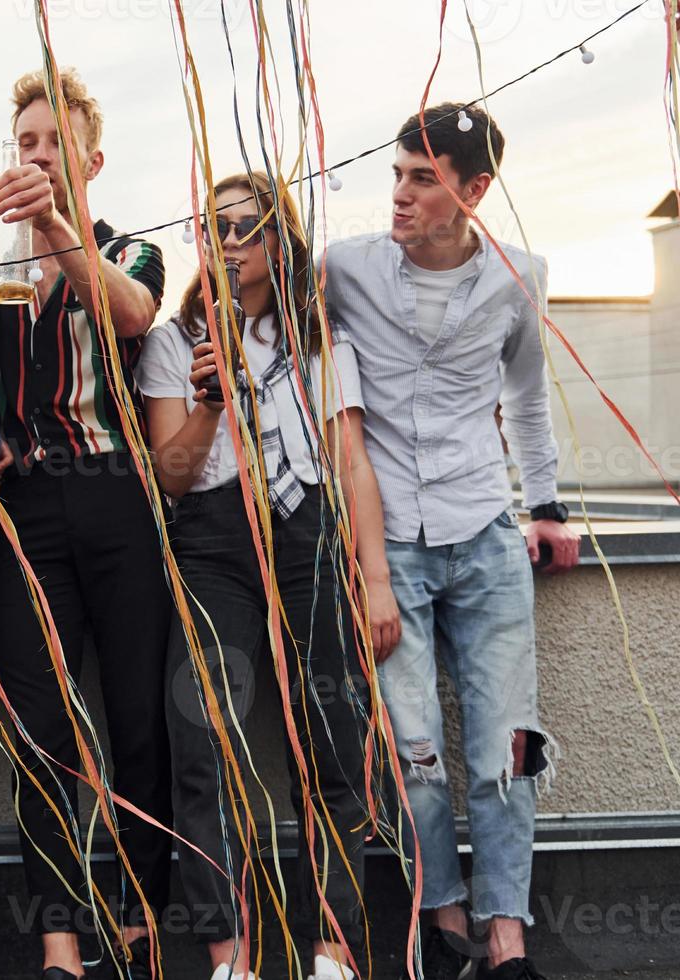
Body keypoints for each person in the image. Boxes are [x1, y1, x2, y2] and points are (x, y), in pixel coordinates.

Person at [322, 102, 580, 980]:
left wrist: (547, 507)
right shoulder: (345, 269)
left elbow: (529, 397)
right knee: (414, 746)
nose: (399, 193)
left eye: (422, 179)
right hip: (389, 544)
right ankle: (446, 918)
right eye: (396, 173)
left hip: (485, 534)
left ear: (472, 192)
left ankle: (508, 941)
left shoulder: (518, 277)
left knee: (508, 741)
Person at [139, 172, 400, 980]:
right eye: (214, 227)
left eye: (247, 227)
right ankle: (230, 953)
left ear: (279, 239)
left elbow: (352, 461)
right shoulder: (172, 341)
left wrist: (376, 577)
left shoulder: (318, 337)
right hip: (215, 541)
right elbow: (170, 476)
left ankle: (331, 946)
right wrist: (210, 401)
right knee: (203, 732)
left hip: (308, 534)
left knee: (329, 737)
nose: (230, 242)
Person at [0, 66, 173, 979]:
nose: (40, 154)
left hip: (116, 497)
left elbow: (130, 311)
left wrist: (57, 229)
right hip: (25, 505)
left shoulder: (132, 248)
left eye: (56, 142)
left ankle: (139, 923)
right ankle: (58, 942)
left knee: (138, 712)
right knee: (41, 727)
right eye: (27, 141)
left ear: (91, 159)